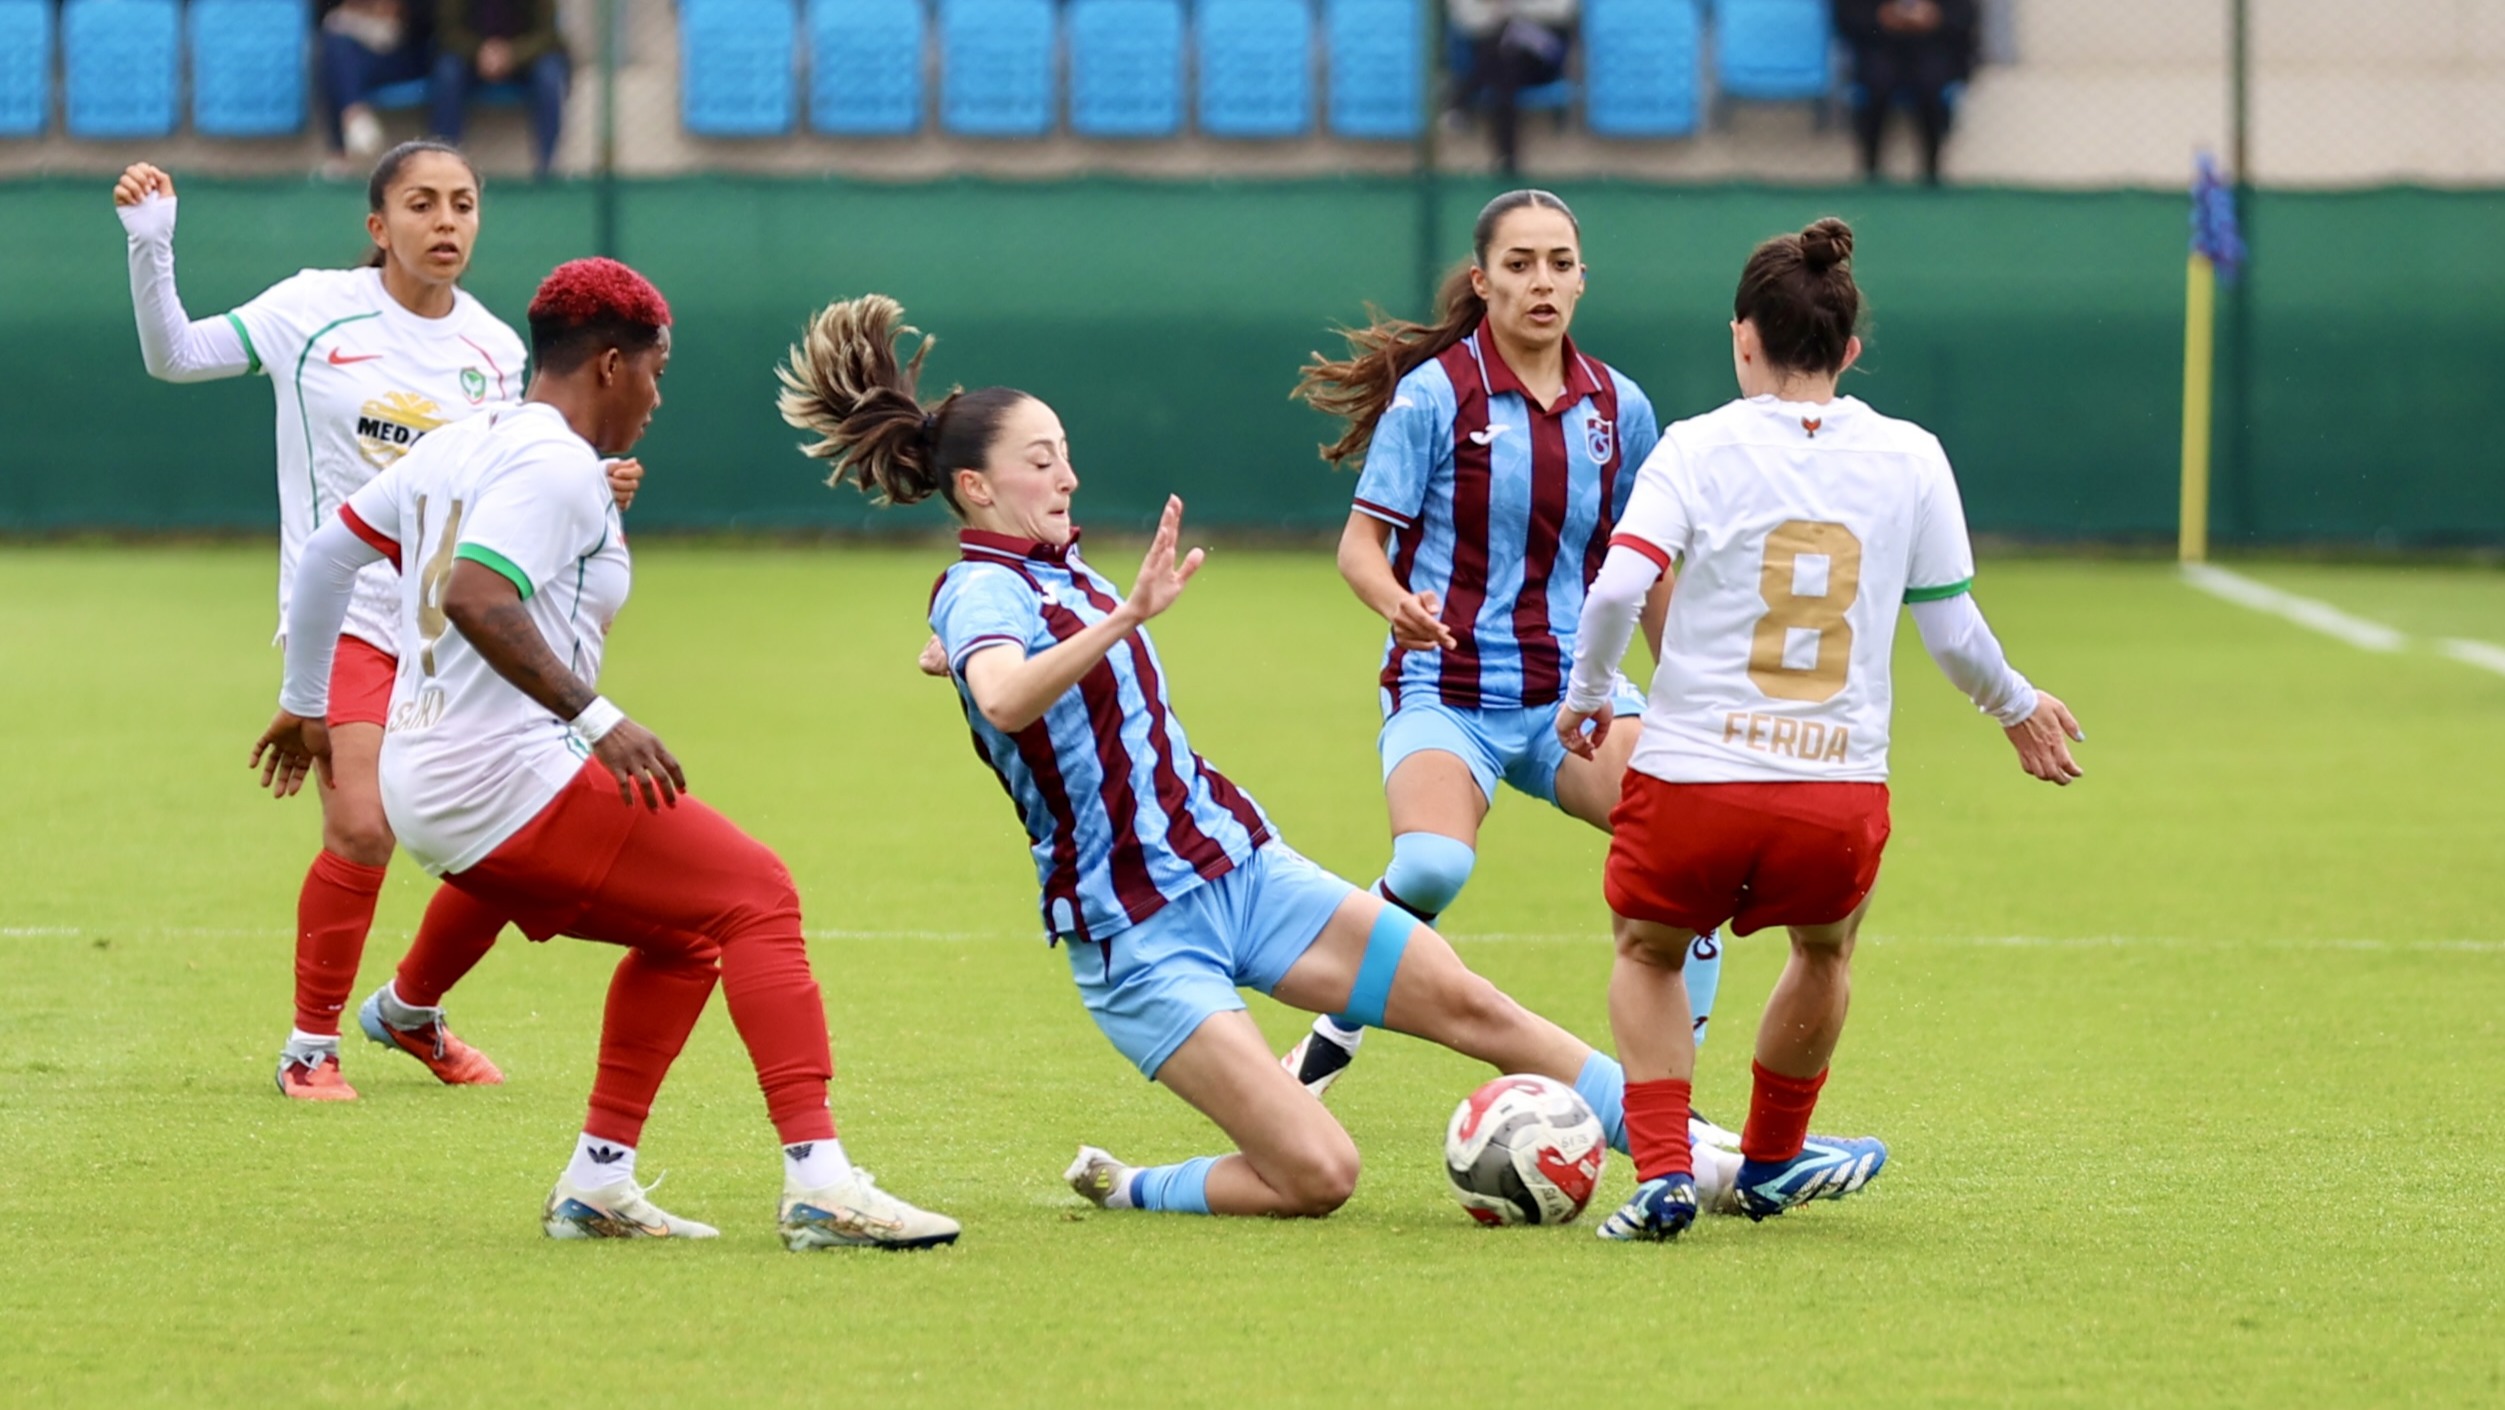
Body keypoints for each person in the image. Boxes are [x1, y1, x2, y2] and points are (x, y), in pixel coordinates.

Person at [781, 293, 1736, 1218]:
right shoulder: (987, 587)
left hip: (1239, 869)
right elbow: (1000, 692)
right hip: (1139, 938)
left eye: (1066, 454)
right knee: (1319, 1174)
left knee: (1476, 1008)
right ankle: (1132, 1186)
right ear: (978, 489)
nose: (1067, 476)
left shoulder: (1040, 571)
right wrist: (1100, 622)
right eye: (1041, 461)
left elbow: (993, 657)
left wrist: (965, 647)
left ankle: (1708, 1157)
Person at [253, 259, 959, 1250]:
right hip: (500, 777)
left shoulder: (471, 442)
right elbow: (474, 595)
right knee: (760, 895)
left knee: (684, 938)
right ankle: (821, 1182)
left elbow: (329, 555)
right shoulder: (548, 463)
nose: (659, 398)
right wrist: (598, 720)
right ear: (613, 363)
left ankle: (598, 1182)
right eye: (657, 374)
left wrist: (302, 701)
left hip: (435, 777)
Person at [1558, 217, 2084, 1241]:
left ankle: (1664, 1170)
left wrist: (1589, 692)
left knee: (1650, 950)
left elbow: (1622, 582)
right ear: (1847, 349)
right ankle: (1768, 1160)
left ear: (1742, 337)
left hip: (1693, 780)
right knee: (1825, 949)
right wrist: (2015, 707)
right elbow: (1954, 631)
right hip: (1833, 792)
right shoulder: (1911, 456)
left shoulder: (1697, 446)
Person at [114, 142, 638, 1102]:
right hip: (347, 605)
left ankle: (409, 1012)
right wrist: (153, 245)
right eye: (422, 203)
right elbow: (176, 355)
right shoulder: (312, 310)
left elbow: (507, 477)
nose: (446, 222)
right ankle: (309, 1047)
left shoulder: (493, 346)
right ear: (377, 225)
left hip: (452, 626)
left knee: (506, 831)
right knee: (362, 826)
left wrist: (593, 486)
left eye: (464, 203)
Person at [1281, 190, 1734, 1109]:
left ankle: (1666, 1106)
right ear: (1483, 281)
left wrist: (1689, 686)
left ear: (1580, 279)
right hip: (1446, 690)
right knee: (1432, 868)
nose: (1542, 282)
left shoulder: (1619, 407)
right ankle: (1333, 1034)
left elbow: (1642, 567)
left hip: (1577, 700)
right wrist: (1394, 602)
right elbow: (1358, 548)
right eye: (1520, 264)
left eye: (1559, 263)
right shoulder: (1434, 396)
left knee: (1692, 856)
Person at [1834, 0, 1978, 185]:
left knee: (1931, 84)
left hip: (1932, 49)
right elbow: (1848, 17)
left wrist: (1934, 17)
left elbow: (1964, 17)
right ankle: (1871, 170)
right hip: (1880, 48)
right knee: (1877, 83)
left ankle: (1931, 171)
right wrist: (1882, 17)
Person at [428, 0, 569, 179]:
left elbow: (548, 35)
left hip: (525, 60)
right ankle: (444, 166)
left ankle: (549, 168)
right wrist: (479, 52)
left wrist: (512, 55)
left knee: (549, 74)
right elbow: (448, 31)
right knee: (447, 72)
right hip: (473, 59)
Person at [1447, 0, 1575, 176]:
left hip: (1542, 57)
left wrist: (1514, 8)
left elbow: (1562, 10)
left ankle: (1461, 98)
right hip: (1503, 57)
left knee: (1502, 59)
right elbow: (1466, 20)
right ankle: (1508, 160)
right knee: (1504, 66)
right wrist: (1495, 11)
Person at [318, 0, 432, 171]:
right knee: (335, 50)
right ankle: (354, 115)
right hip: (361, 55)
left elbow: (427, 22)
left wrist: (397, 10)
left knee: (341, 63)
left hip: (407, 56)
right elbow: (324, 17)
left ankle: (351, 123)